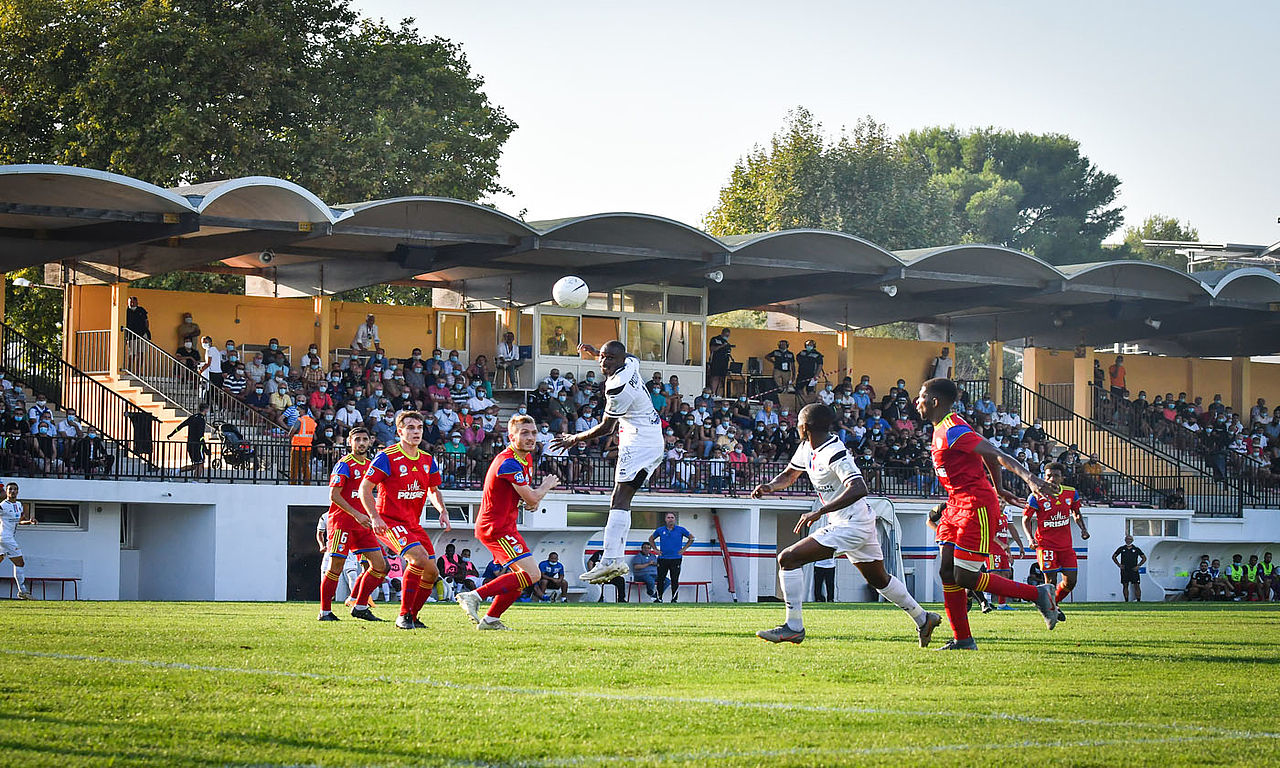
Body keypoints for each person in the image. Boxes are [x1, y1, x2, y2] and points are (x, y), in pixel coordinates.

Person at [752, 403, 942, 646]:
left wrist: (820, 511)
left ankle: (793, 627)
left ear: (806, 426)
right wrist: (770, 486)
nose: (796, 425)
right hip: (856, 520)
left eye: (798, 421)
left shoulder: (835, 452)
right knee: (879, 579)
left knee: (788, 558)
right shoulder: (807, 447)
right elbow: (790, 474)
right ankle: (923, 618)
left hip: (851, 523)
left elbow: (859, 488)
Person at [915, 377, 1059, 650]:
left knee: (965, 577)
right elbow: (988, 456)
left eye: (920, 397)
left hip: (976, 506)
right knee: (947, 571)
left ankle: (1038, 594)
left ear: (934, 401)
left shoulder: (953, 428)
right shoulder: (946, 427)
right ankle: (963, 640)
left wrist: (1028, 477)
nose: (916, 402)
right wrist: (1000, 487)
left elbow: (994, 451)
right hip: (955, 504)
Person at [552, 340, 663, 586]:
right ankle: (615, 558)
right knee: (623, 500)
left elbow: (605, 428)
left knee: (619, 499)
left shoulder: (617, 387)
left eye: (609, 358)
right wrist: (595, 353)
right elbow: (629, 355)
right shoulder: (631, 364)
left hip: (639, 443)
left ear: (620, 360)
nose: (603, 362)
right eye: (602, 357)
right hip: (651, 439)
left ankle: (611, 560)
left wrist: (573, 438)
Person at [455, 414, 560, 630]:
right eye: (524, 433)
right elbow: (531, 497)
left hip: (505, 525)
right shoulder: (508, 462)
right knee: (533, 574)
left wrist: (533, 499)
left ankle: (491, 619)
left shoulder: (525, 459)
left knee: (521, 577)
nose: (531, 437)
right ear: (511, 437)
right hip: (496, 527)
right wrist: (546, 486)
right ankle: (473, 595)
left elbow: (526, 498)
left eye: (533, 433)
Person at [358, 411, 452, 630]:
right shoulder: (387, 456)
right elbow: (365, 488)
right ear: (399, 431)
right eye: (410, 427)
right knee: (418, 558)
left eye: (419, 427)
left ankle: (413, 615)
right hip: (389, 522)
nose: (416, 432)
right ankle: (402, 616)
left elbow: (433, 489)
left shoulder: (427, 459)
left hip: (413, 525)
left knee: (432, 573)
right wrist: (375, 517)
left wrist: (443, 511)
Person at [319, 428, 387, 621]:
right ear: (350, 442)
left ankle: (359, 604)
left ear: (370, 442)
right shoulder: (344, 464)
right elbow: (334, 495)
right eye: (357, 439)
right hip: (342, 523)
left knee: (380, 566)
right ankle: (324, 612)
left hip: (363, 524)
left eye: (365, 439)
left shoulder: (371, 466)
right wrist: (357, 514)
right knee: (335, 567)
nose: (361, 443)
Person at [1022, 462, 1090, 619]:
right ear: (1044, 477)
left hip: (1066, 546)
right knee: (1050, 580)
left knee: (1071, 582)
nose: (1052, 479)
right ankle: (1053, 609)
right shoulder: (1036, 495)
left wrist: (1083, 529)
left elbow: (1076, 512)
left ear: (1062, 478)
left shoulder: (1071, 493)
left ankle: (1050, 604)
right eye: (1048, 476)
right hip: (1045, 545)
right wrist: (1030, 538)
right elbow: (1026, 520)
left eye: (1056, 476)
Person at [983, 509, 1027, 611]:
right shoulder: (991, 512)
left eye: (1003, 502)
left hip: (1002, 551)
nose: (1002, 504)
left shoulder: (1006, 514)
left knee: (1006, 576)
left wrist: (1010, 551)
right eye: (999, 502)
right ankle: (986, 601)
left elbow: (1006, 534)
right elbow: (989, 534)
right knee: (994, 575)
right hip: (992, 550)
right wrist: (1002, 545)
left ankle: (1002, 604)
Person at [647, 512, 693, 603]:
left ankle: (674, 599)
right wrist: (655, 549)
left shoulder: (681, 530)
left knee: (674, 579)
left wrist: (684, 549)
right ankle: (659, 598)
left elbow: (691, 538)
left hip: (676, 558)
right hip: (663, 558)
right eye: (668, 517)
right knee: (661, 579)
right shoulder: (660, 530)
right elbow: (651, 539)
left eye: (672, 517)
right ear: (665, 519)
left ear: (675, 519)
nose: (670, 519)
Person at [0, 482, 35, 599]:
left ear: (18, 491)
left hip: (6, 539)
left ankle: (22, 591)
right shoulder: (3, 505)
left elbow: (19, 521)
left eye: (15, 489)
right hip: (5, 538)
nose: (13, 491)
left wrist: (29, 522)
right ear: (6, 491)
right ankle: (22, 591)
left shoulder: (19, 505)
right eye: (10, 489)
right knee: (20, 562)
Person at [167, 404, 209, 477]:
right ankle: (195, 481)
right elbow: (200, 436)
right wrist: (205, 449)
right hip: (197, 446)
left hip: (190, 444)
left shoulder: (192, 417)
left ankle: (175, 471)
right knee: (200, 465)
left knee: (196, 465)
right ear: (205, 410)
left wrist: (172, 433)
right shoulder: (201, 420)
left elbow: (181, 426)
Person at [1111, 535, 1147, 603]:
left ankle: (1139, 600)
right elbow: (1114, 556)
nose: (1128, 540)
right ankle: (1126, 600)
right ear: (1125, 540)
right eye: (1127, 539)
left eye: (1130, 539)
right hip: (1125, 570)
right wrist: (1119, 564)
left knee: (1136, 585)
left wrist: (1138, 566)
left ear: (1132, 540)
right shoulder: (1122, 548)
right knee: (1125, 585)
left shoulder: (1136, 549)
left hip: (1134, 569)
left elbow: (1144, 558)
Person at [707, 328, 733, 397]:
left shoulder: (727, 343)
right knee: (715, 377)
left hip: (724, 363)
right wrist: (722, 346)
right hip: (715, 362)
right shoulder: (715, 339)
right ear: (722, 333)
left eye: (728, 336)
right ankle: (712, 393)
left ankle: (718, 394)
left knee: (721, 378)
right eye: (725, 335)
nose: (726, 337)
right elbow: (712, 349)